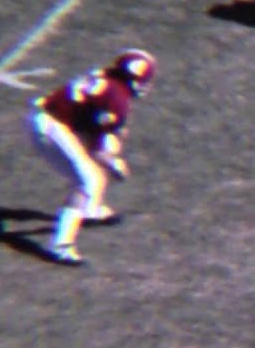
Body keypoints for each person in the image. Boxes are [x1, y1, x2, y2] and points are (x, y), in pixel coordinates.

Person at [27, 49, 157, 266]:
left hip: (53, 118)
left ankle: (90, 209)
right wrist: (114, 163)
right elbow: (97, 148)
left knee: (96, 163)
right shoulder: (117, 100)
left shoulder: (107, 78)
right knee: (88, 180)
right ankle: (60, 245)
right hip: (49, 126)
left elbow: (90, 123)